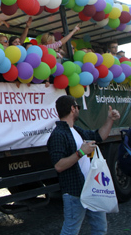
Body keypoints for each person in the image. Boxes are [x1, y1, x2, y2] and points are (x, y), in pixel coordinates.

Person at [47, 95, 120, 235]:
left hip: (91, 188)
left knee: (100, 228)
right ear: (72, 108)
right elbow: (59, 165)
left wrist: (110, 119)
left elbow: (98, 137)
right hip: (74, 192)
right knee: (71, 230)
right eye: (78, 107)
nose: (78, 110)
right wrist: (81, 152)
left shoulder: (76, 130)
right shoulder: (58, 134)